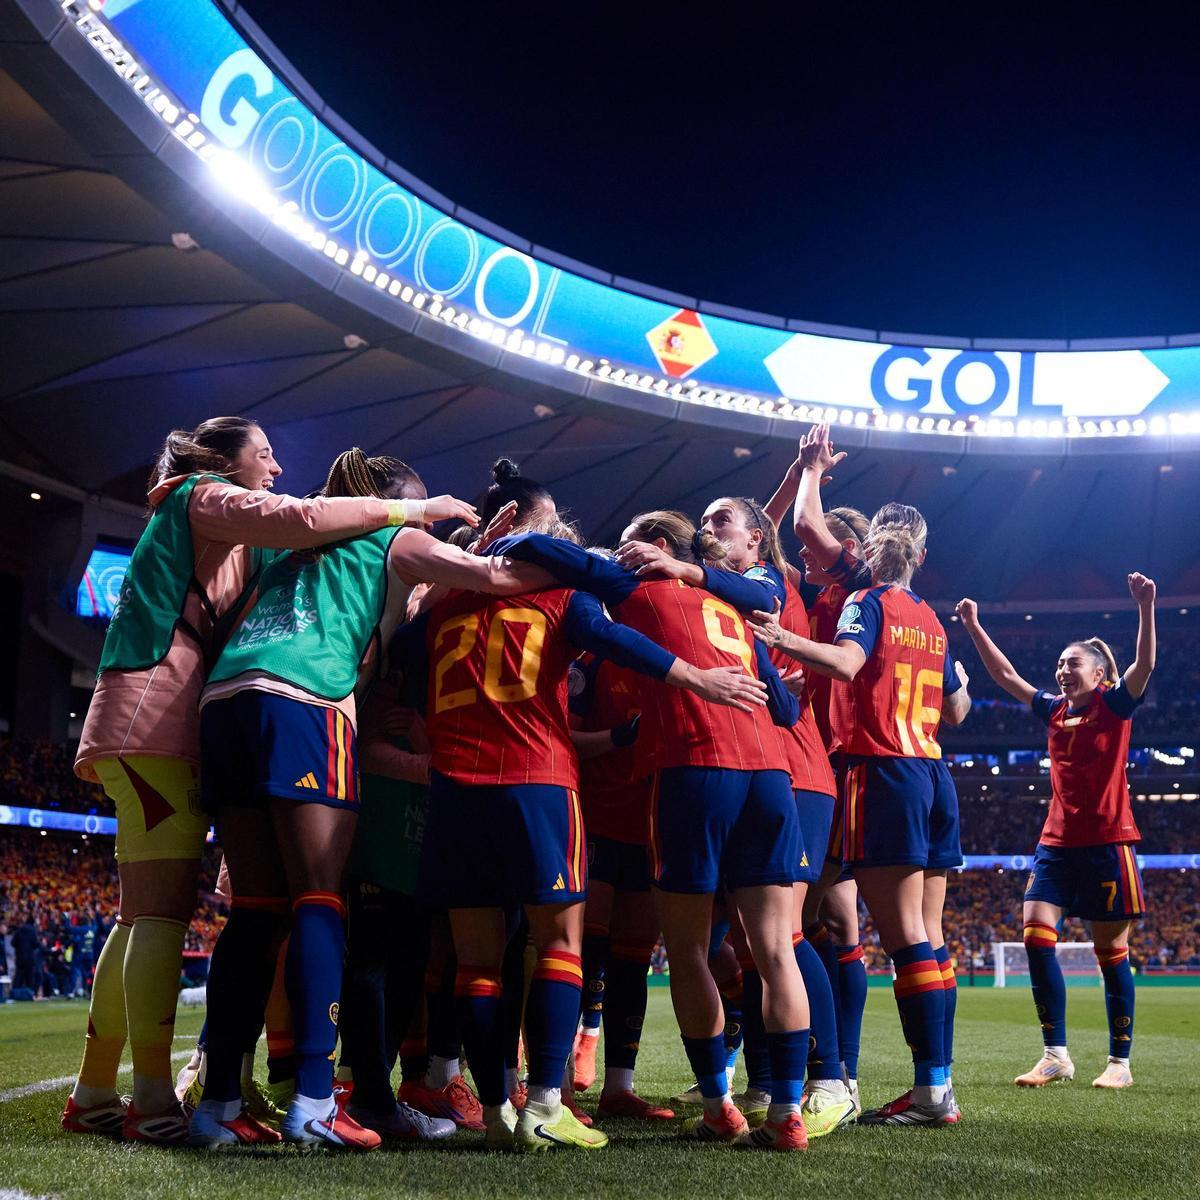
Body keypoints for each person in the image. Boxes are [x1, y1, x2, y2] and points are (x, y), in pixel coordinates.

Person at [64, 417, 466, 1145]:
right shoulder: (202, 491)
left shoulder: (255, 554)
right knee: (175, 916)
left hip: (189, 717)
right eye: (265, 453)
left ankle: (110, 1090)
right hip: (162, 717)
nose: (277, 467)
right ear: (222, 459)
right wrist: (419, 512)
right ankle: (168, 1098)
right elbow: (306, 517)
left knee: (155, 916)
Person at [188, 448, 550, 1151]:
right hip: (306, 701)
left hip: (226, 703)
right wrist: (577, 567)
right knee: (320, 902)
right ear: (397, 499)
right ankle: (316, 1103)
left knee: (255, 913)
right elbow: (494, 577)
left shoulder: (292, 545)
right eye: (418, 498)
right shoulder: (395, 532)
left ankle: (218, 1105)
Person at [413, 502, 775, 1153]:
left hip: (452, 790)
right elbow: (616, 640)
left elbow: (403, 667)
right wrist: (693, 676)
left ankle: (494, 1108)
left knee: (476, 962)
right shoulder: (559, 596)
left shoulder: (442, 605)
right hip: (536, 779)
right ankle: (547, 1104)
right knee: (558, 946)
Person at [501, 512, 812, 1151]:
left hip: (693, 768)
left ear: (656, 550)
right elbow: (783, 706)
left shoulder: (629, 584)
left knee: (690, 948)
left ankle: (721, 1105)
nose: (623, 552)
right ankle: (786, 1113)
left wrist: (502, 540)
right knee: (776, 950)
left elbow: (553, 568)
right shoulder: (727, 601)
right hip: (770, 775)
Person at [749, 501, 971, 1127]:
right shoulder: (931, 618)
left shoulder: (864, 602)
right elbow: (959, 712)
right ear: (920, 556)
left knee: (901, 942)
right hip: (933, 773)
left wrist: (787, 640)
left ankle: (925, 1094)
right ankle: (936, 1084)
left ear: (871, 549)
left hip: (882, 770)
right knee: (929, 939)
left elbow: (846, 663)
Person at [956, 572, 1156, 1090]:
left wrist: (1146, 607)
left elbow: (1145, 665)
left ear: (1099, 672)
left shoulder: (1114, 705)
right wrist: (975, 628)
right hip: (1055, 845)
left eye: (1072, 664)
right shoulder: (1055, 710)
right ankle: (1055, 1055)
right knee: (1035, 938)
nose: (1062, 671)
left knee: (1110, 954)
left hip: (1110, 843)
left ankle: (1119, 1062)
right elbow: (1006, 677)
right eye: (1060, 664)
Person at [695, 495, 853, 1138]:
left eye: (719, 523)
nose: (707, 533)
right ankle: (763, 1078)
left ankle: (832, 1078)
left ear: (758, 540)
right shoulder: (727, 588)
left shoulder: (764, 583)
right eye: (701, 525)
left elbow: (757, 540)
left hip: (797, 771)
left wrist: (800, 479)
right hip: (752, 771)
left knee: (785, 936)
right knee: (750, 942)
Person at [779, 425, 875, 1104]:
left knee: (815, 921)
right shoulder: (805, 593)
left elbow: (800, 525)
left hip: (840, 766)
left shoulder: (856, 590)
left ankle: (834, 1069)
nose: (807, 559)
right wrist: (796, 472)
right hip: (806, 759)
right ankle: (818, 1067)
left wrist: (811, 473)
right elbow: (766, 533)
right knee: (818, 920)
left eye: (820, 553)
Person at [567, 651, 674, 1121]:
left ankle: (619, 1088)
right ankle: (558, 1082)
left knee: (633, 958)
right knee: (585, 949)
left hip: (648, 824)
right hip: (595, 818)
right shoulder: (592, 664)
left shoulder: (668, 663)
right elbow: (565, 737)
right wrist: (618, 737)